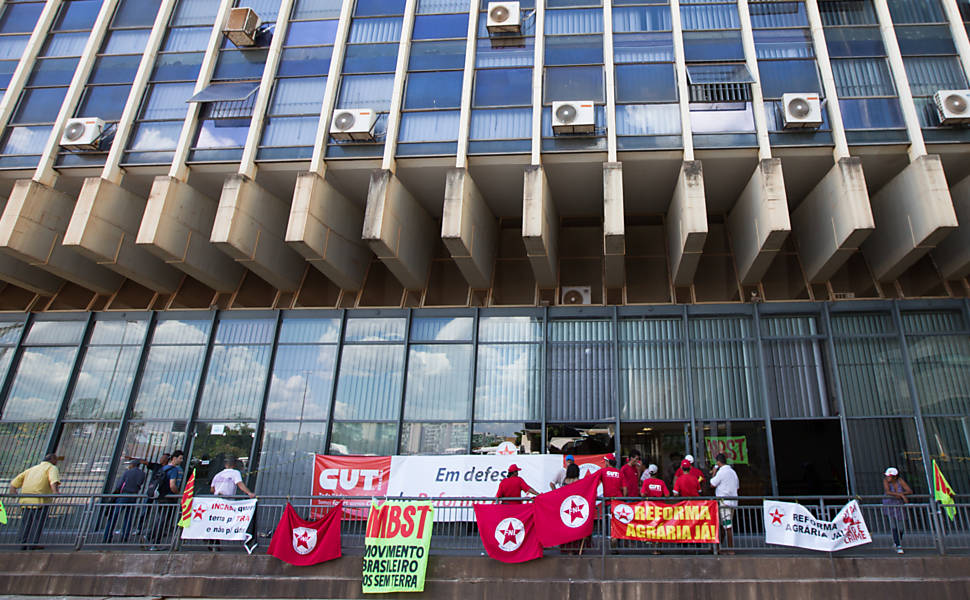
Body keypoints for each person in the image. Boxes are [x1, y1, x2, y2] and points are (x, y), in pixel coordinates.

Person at [8, 453, 61, 550]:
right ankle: (33, 543)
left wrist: (13, 493)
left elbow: (14, 483)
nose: (57, 462)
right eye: (56, 460)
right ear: (52, 460)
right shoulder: (51, 468)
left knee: (26, 523)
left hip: (25, 501)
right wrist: (55, 492)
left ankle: (22, 543)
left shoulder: (32, 469)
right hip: (40, 501)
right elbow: (53, 481)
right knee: (37, 523)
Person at [147, 451, 185, 549]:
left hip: (160, 496)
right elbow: (172, 485)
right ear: (174, 458)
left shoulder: (163, 468)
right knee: (163, 520)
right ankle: (155, 542)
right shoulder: (174, 470)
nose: (181, 460)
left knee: (160, 518)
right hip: (169, 497)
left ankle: (149, 536)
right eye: (180, 458)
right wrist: (179, 494)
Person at [103, 458, 146, 543]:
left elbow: (119, 485)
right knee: (128, 516)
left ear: (132, 464)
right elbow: (140, 483)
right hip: (134, 495)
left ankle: (107, 536)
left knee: (114, 516)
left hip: (124, 495)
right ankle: (125, 536)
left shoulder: (127, 472)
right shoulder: (142, 474)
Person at [709, 453, 739, 554]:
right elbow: (737, 486)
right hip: (733, 501)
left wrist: (714, 472)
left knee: (727, 526)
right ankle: (718, 548)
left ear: (718, 462)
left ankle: (731, 549)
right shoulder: (733, 472)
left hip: (724, 503)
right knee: (724, 525)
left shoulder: (721, 472)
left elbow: (712, 484)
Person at [882, 467, 912, 554]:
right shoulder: (886, 481)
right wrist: (901, 495)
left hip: (899, 506)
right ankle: (898, 545)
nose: (887, 478)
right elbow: (888, 492)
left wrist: (902, 494)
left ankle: (897, 542)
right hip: (890, 505)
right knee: (893, 525)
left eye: (889, 476)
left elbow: (909, 490)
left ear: (894, 476)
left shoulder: (900, 481)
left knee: (901, 526)